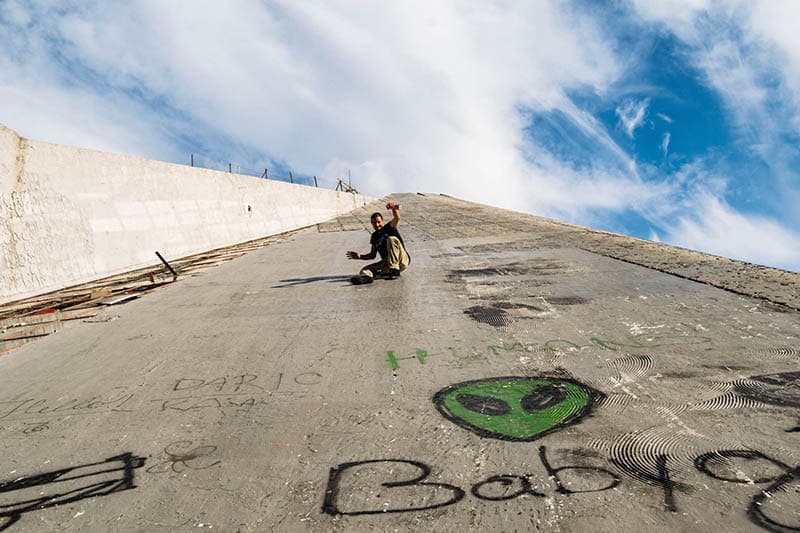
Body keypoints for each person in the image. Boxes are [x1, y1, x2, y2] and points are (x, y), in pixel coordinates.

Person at [346, 202, 410, 284]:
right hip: (387, 263)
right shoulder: (374, 236)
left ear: (382, 221)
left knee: (391, 239)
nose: (377, 225)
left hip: (402, 259)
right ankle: (368, 278)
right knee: (364, 270)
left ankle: (394, 269)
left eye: (378, 222)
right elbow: (372, 255)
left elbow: (397, 217)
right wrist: (359, 256)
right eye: (374, 223)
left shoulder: (390, 227)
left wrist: (394, 209)